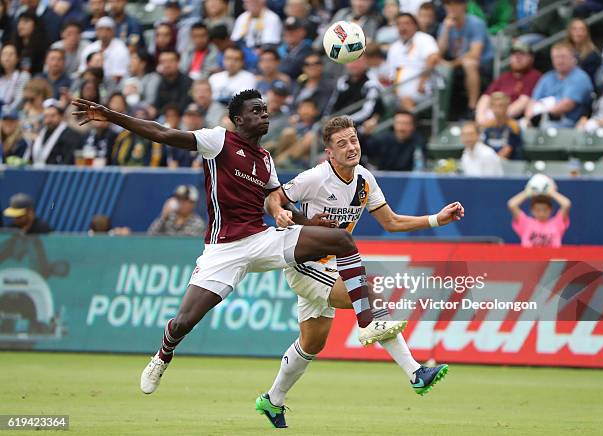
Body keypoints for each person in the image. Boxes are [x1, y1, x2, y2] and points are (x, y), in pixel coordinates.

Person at [71, 89, 407, 399]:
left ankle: (368, 321)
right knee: (184, 321)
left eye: (265, 110)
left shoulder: (265, 159)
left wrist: (307, 223)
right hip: (224, 249)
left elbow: (278, 202)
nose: (264, 115)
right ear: (238, 119)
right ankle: (162, 355)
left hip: (261, 239)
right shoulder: (218, 141)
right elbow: (162, 133)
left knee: (340, 238)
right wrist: (112, 115)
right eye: (256, 111)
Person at [257, 115, 462, 428]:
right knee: (369, 293)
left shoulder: (365, 179)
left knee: (311, 344)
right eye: (342, 144)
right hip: (306, 263)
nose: (351, 147)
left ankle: (272, 400)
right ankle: (416, 372)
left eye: (353, 139)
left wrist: (436, 219)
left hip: (335, 265)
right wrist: (280, 211)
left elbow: (391, 222)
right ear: (329, 152)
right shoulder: (315, 177)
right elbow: (274, 197)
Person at [437, 0, 494, 118]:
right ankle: (441, 111)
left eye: (456, 3)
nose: (452, 7)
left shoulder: (476, 23)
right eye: (448, 4)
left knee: (469, 64)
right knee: (436, 64)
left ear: (464, 6)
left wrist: (451, 64)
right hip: (456, 63)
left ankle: (472, 108)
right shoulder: (445, 24)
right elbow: (439, 52)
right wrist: (446, 30)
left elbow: (475, 54)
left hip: (483, 64)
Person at [525, 42, 593, 129]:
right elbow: (533, 101)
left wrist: (541, 114)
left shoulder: (580, 77)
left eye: (563, 57)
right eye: (556, 57)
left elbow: (567, 105)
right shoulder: (547, 77)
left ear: (573, 58)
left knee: (545, 127)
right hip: (542, 117)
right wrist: (529, 117)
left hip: (570, 122)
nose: (559, 61)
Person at [476, 41, 542, 125]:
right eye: (514, 54)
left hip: (515, 120)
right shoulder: (504, 77)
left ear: (531, 58)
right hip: (493, 117)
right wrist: (480, 118)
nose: (518, 58)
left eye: (522, 54)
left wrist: (499, 117)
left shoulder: (534, 76)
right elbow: (486, 97)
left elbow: (523, 102)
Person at [384, 12, 439, 111]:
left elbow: (433, 58)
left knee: (406, 100)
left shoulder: (423, 38)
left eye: (407, 23)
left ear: (415, 25)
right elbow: (391, 74)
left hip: (423, 90)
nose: (403, 27)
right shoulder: (394, 47)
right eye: (399, 24)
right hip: (398, 93)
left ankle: (408, 125)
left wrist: (422, 82)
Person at [507, 181, 571, 247]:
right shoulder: (525, 223)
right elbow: (512, 204)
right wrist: (527, 193)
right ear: (532, 210)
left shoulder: (557, 223)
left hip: (553, 256)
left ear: (550, 210)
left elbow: (566, 204)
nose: (541, 213)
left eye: (545, 210)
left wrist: (552, 193)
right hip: (529, 256)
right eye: (538, 210)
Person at [325, 57, 384, 127]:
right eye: (350, 61)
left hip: (359, 127)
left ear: (365, 63)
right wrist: (327, 118)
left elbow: (367, 112)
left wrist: (343, 122)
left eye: (358, 62)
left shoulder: (372, 84)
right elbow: (331, 105)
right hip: (338, 124)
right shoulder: (342, 81)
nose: (354, 65)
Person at [361, 110, 427, 171]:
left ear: (413, 126)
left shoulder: (419, 142)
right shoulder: (383, 139)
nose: (402, 128)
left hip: (409, 181)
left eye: (406, 124)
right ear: (394, 124)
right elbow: (364, 149)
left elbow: (419, 166)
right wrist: (365, 134)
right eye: (399, 123)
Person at [24, 98, 82, 165]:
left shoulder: (71, 135)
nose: (48, 120)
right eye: (46, 116)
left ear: (61, 116)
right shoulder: (40, 133)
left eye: (52, 116)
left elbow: (68, 161)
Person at [80, 17, 130, 84]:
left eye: (108, 30)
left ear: (113, 32)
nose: (104, 33)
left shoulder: (121, 49)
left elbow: (118, 77)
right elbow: (82, 72)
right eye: (100, 29)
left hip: (114, 86)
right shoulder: (89, 48)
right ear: (96, 32)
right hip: (91, 84)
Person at [481, 92, 522, 159]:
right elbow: (483, 148)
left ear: (507, 107)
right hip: (490, 163)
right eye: (494, 106)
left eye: (501, 106)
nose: (497, 110)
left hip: (510, 165)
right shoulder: (487, 126)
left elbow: (507, 152)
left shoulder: (514, 127)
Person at [565, 18, 602, 86]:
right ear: (569, 32)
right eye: (574, 29)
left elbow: (586, 80)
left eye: (582, 29)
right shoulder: (564, 51)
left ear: (587, 33)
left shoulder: (593, 55)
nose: (578, 33)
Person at [0, 43, 31, 113]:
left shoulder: (24, 76)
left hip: (12, 115)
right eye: (4, 54)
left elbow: (19, 101)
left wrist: (5, 112)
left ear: (17, 58)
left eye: (11, 54)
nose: (7, 57)